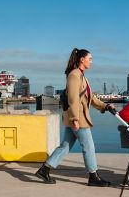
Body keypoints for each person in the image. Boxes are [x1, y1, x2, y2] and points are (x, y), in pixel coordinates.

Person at [35, 48, 115, 187]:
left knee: (65, 146)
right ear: (81, 59)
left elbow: (91, 98)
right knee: (89, 147)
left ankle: (44, 169)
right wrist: (75, 119)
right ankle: (93, 176)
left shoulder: (82, 76)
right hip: (78, 119)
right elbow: (73, 99)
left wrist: (105, 106)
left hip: (75, 118)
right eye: (90, 59)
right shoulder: (74, 75)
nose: (91, 61)